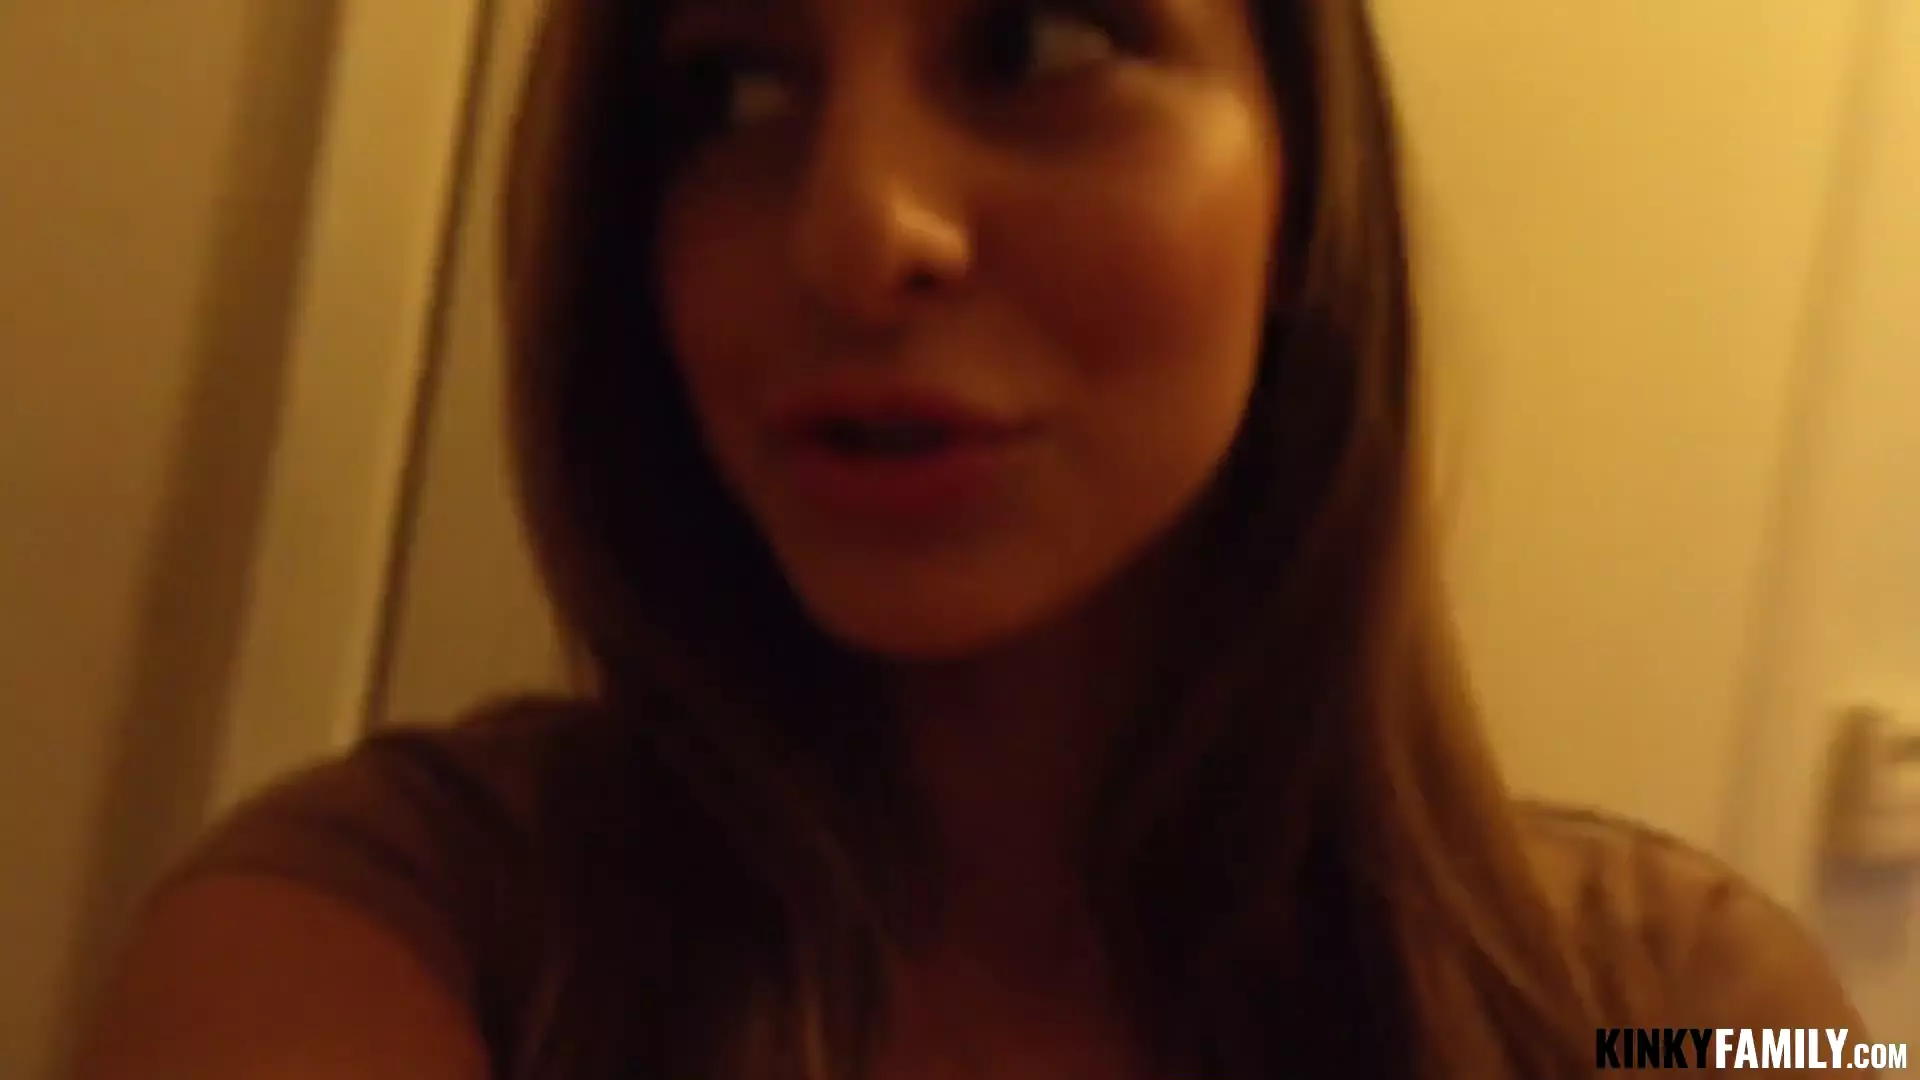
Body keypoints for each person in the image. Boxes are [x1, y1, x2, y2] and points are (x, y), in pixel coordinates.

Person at [75, 0, 1868, 1077]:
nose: (859, 236)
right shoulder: (377, 934)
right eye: (735, 91)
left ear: (1304, 184)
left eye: (1037, 42)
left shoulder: (1685, 1005)